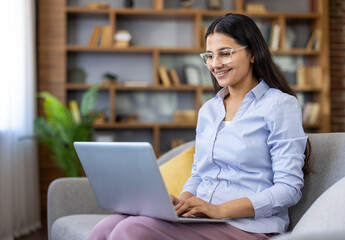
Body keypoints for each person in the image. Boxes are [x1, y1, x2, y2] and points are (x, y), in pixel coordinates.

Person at [88, 13, 310, 240]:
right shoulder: (209, 110)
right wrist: (183, 201)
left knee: (131, 229)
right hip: (203, 218)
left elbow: (289, 189)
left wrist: (219, 210)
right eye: (210, 56)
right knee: (105, 227)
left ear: (252, 53)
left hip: (248, 226)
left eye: (225, 53)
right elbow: (199, 174)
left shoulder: (280, 105)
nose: (215, 64)